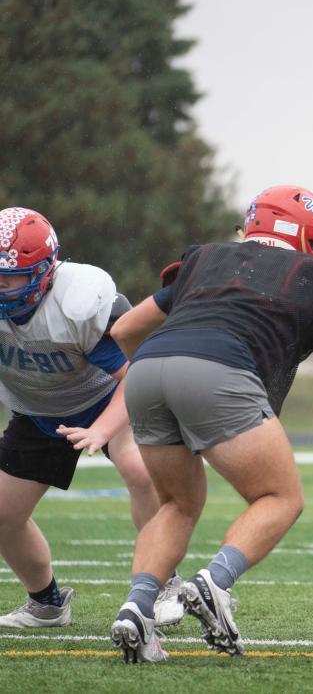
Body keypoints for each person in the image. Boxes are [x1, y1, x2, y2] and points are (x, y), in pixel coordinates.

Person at [107, 185, 313, 664]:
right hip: (220, 369)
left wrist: (159, 376)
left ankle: (137, 607)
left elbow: (124, 330)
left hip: (147, 369)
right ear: (311, 239)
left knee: (176, 505)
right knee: (280, 498)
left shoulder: (207, 259)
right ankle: (215, 581)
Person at [0, 207, 182, 630]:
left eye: (9, 276)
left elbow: (136, 374)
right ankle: (47, 603)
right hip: (39, 410)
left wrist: (103, 429)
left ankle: (165, 580)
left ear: (45, 272)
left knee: (139, 469)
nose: (1, 286)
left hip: (107, 398)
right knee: (3, 514)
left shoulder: (77, 304)